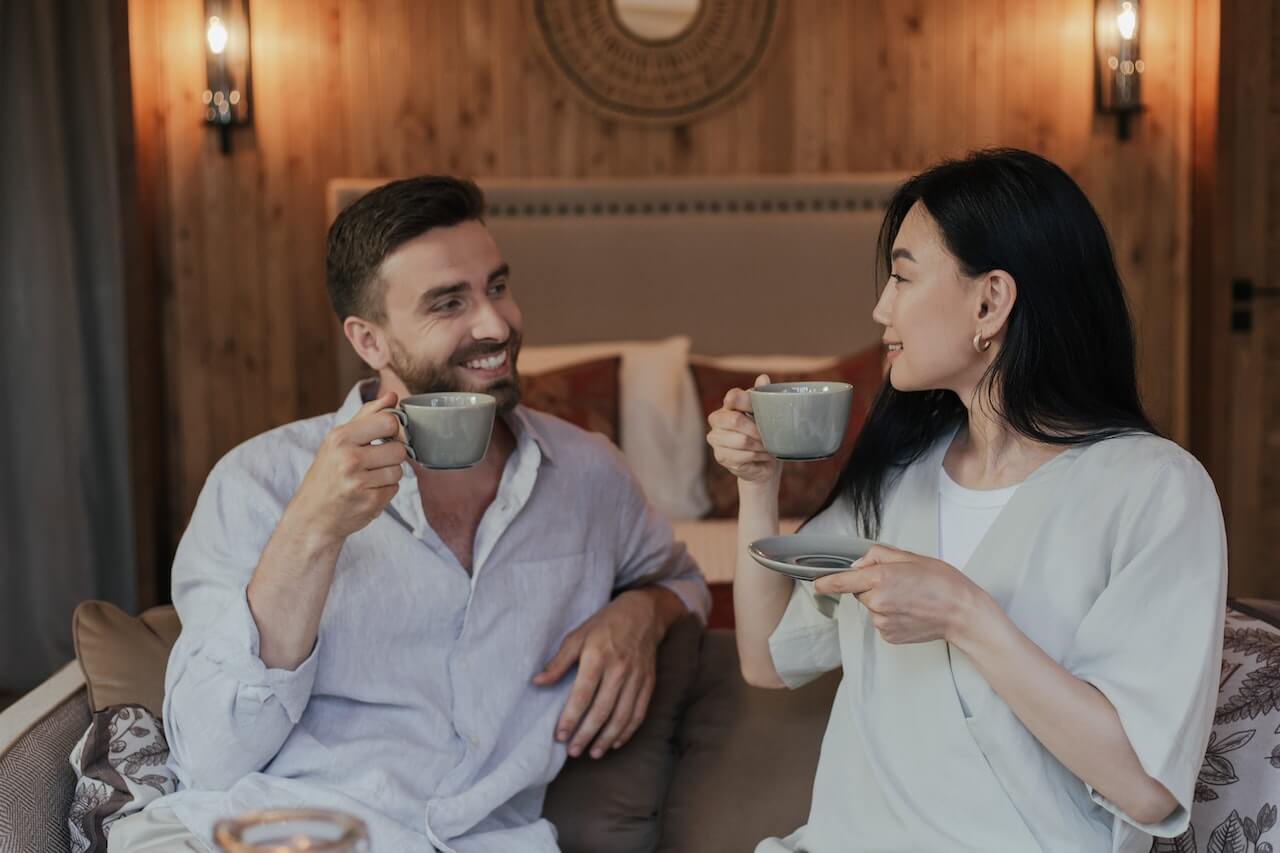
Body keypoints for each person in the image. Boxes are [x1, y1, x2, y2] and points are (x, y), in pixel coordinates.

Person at [109, 176, 709, 852]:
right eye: (449, 302)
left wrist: (640, 612)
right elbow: (210, 756)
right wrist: (313, 529)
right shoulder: (258, 483)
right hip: (275, 832)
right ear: (370, 340)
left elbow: (684, 581)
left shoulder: (589, 475)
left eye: (498, 286)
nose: (496, 323)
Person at [708, 148, 1227, 853]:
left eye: (901, 275)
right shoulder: (899, 475)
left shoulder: (1156, 490)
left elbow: (1148, 785)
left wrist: (966, 613)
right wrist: (757, 484)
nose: (880, 308)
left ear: (990, 300)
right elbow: (767, 661)